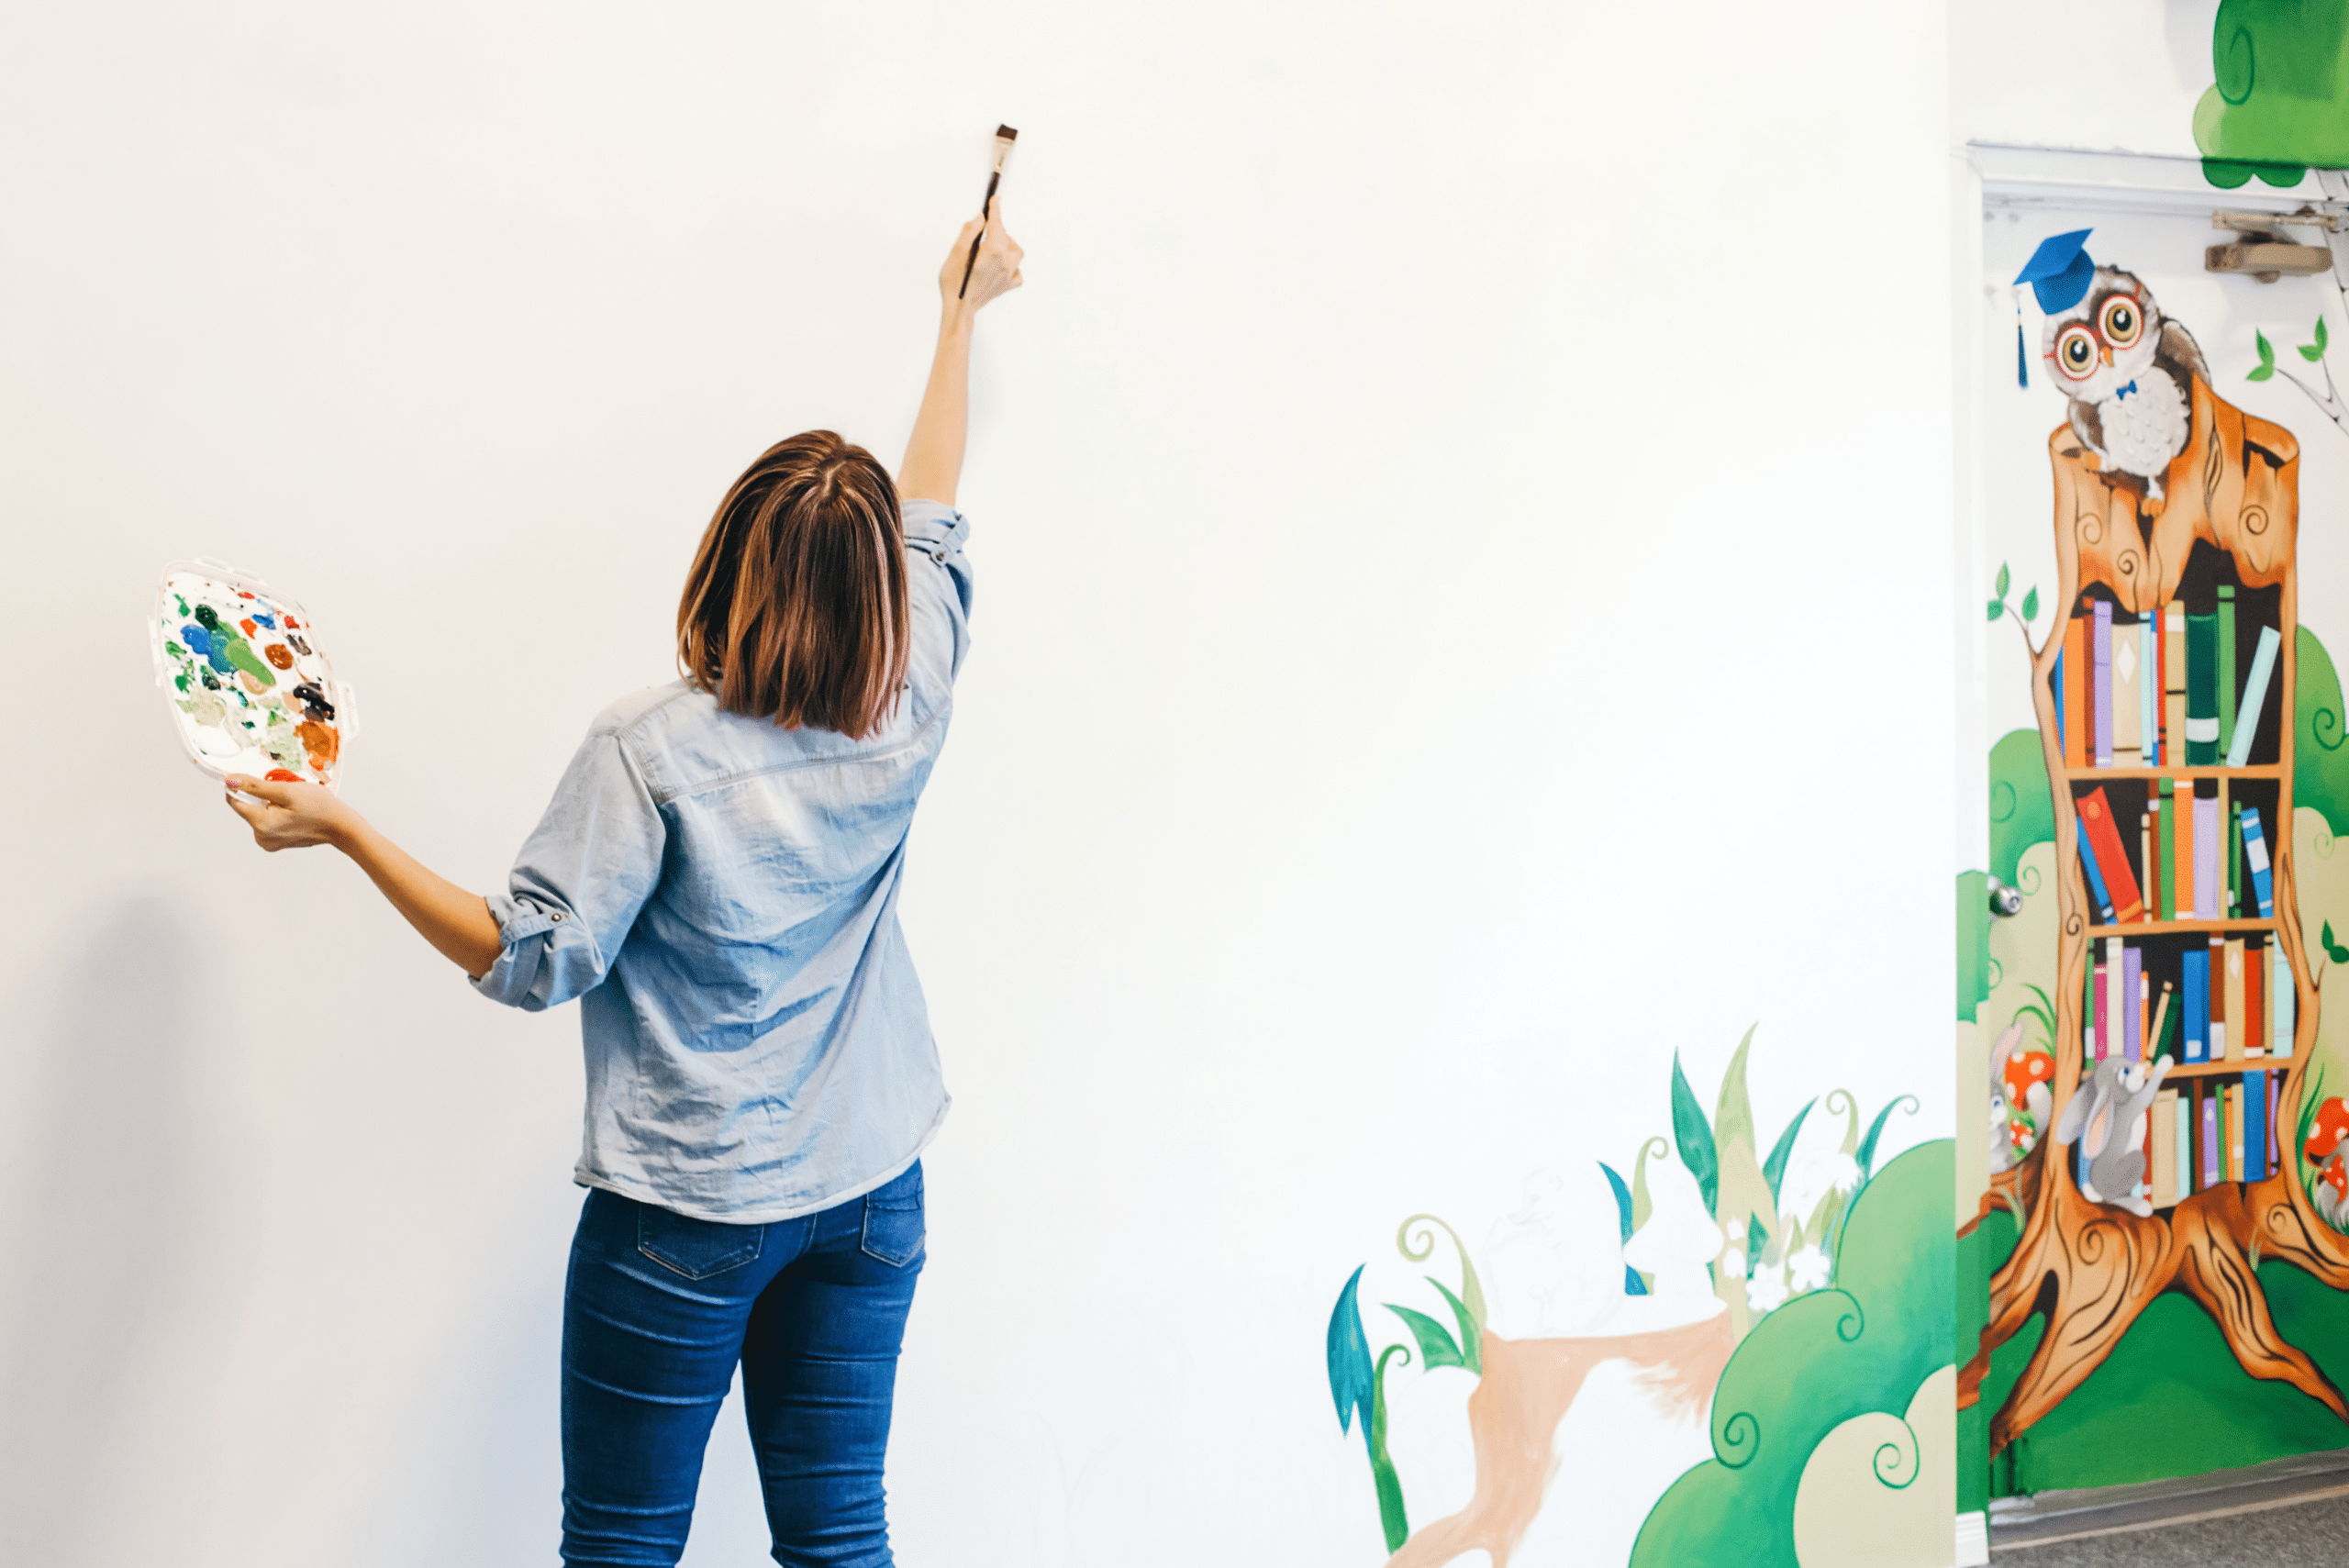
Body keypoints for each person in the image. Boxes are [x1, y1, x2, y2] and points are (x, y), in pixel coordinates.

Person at [221, 206, 1024, 1567]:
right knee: (840, 1536)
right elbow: (934, 507)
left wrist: (348, 833)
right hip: (873, 1190)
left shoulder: (652, 753)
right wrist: (959, 318)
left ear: (732, 563)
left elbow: (532, 959)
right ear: (880, 588)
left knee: (621, 1546)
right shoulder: (916, 691)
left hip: (687, 1217)